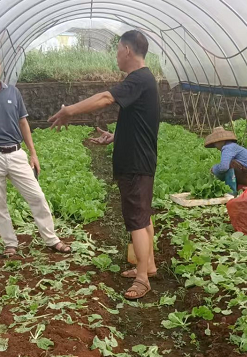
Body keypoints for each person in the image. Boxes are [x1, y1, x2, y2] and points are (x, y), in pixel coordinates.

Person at [48, 30, 159, 300]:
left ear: (128, 50)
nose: (116, 55)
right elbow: (142, 122)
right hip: (139, 159)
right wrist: (117, 137)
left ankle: (142, 279)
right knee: (142, 217)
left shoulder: (138, 79)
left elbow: (105, 98)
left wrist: (68, 111)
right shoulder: (145, 80)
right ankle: (148, 266)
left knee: (136, 220)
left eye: (117, 49)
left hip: (135, 163)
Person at [0, 45, 71, 257]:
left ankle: (51, 239)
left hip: (15, 153)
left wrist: (33, 153)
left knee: (37, 196)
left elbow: (23, 123)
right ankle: (10, 244)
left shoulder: (12, 92)